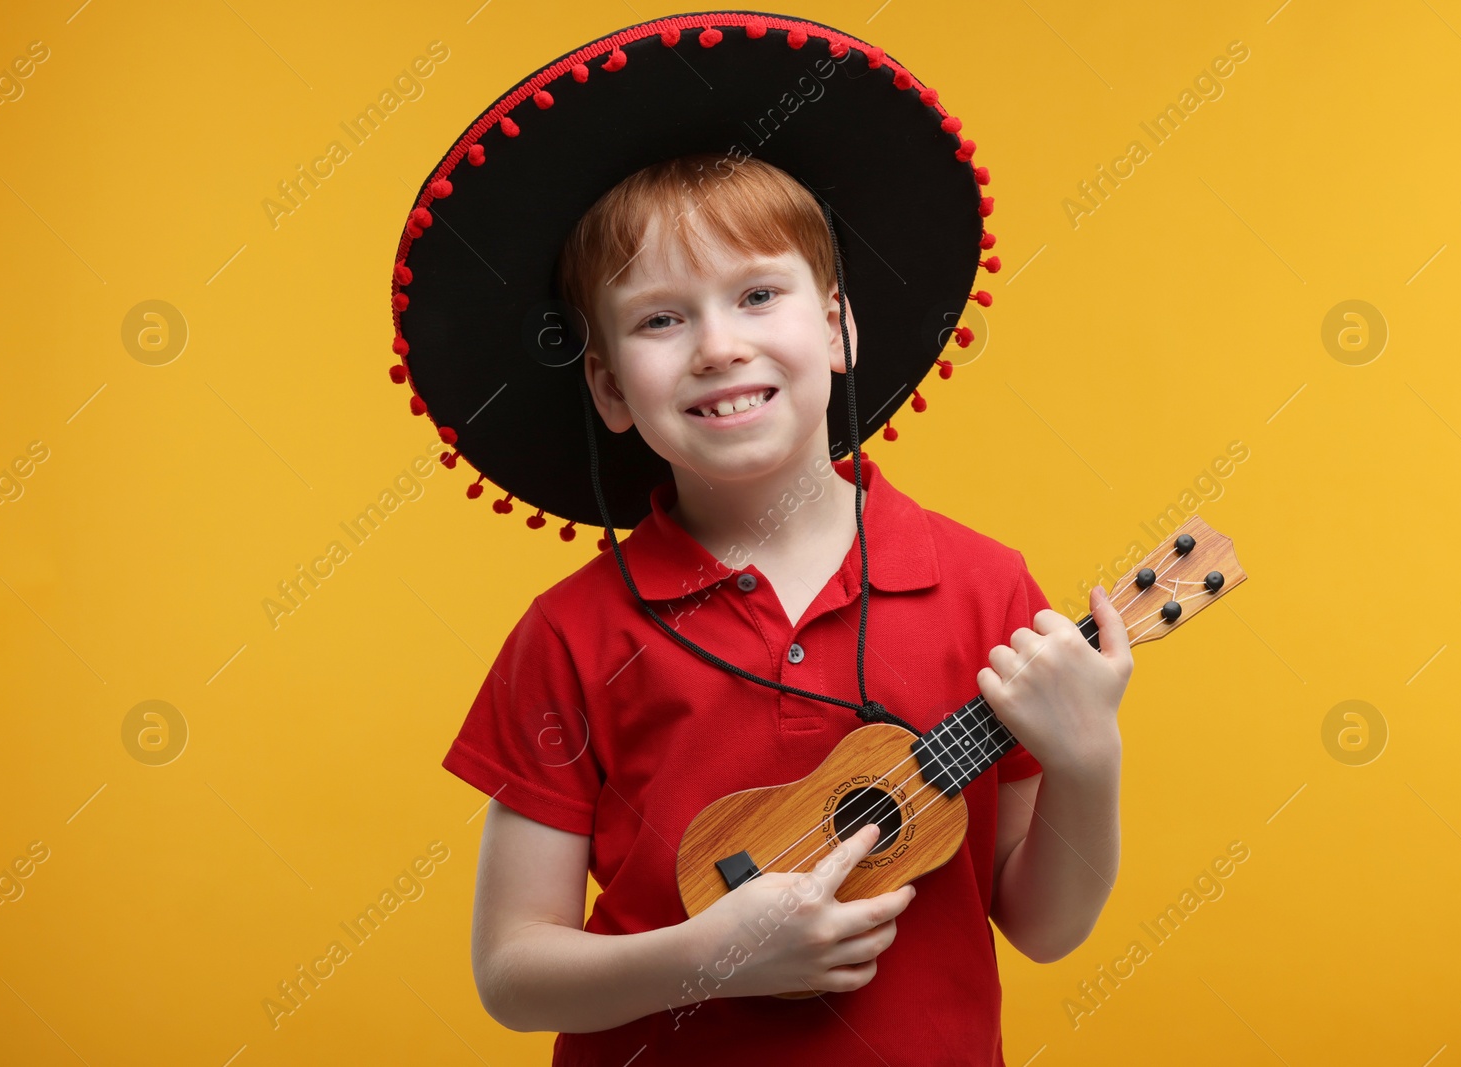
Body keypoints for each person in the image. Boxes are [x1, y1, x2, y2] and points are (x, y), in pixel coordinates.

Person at [390, 13, 1133, 1065]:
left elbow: (1045, 926)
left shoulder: (982, 586)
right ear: (606, 386)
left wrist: (1087, 757)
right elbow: (513, 971)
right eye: (659, 320)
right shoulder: (570, 634)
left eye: (756, 294)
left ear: (835, 327)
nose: (718, 346)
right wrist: (708, 958)